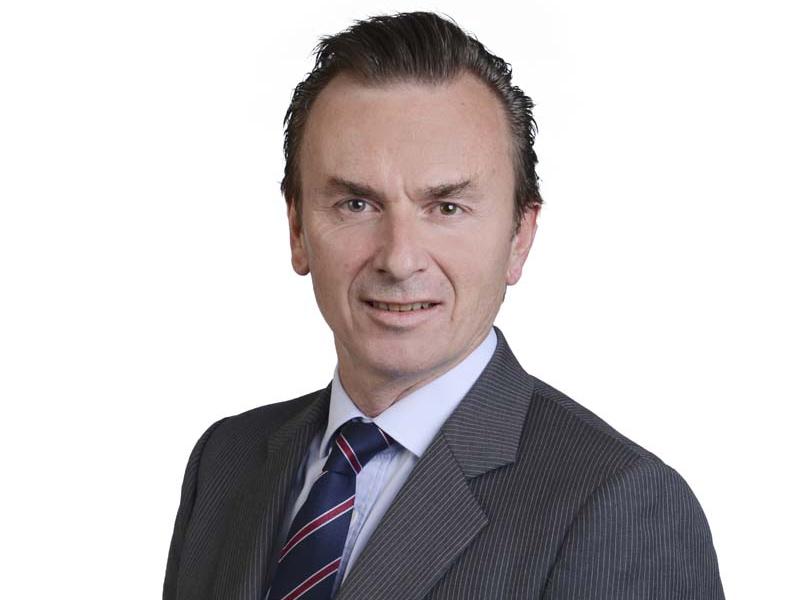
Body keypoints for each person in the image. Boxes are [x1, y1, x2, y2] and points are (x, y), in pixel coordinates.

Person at [163, 12, 724, 600]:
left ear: (519, 237)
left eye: (447, 208)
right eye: (356, 204)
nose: (399, 259)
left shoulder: (622, 505)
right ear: (298, 228)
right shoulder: (224, 463)